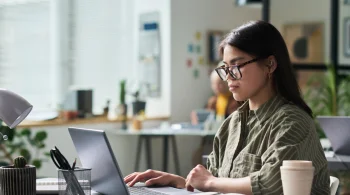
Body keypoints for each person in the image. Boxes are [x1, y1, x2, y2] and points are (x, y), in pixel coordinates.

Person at [124, 20, 330, 195]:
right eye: (225, 68)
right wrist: (178, 182)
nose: (228, 77)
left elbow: (273, 182)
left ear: (270, 65)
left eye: (236, 66)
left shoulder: (293, 122)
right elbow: (214, 183)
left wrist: (209, 182)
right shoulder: (230, 125)